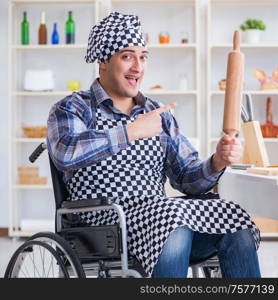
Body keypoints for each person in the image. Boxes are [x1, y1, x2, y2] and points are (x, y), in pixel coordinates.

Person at [47, 11, 261, 278]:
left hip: (160, 220)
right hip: (102, 224)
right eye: (127, 56)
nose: (138, 67)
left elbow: (186, 177)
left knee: (233, 218)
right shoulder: (73, 108)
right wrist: (129, 132)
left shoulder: (157, 112)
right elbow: (65, 153)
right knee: (171, 218)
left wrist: (217, 160)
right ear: (103, 61)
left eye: (143, 57)